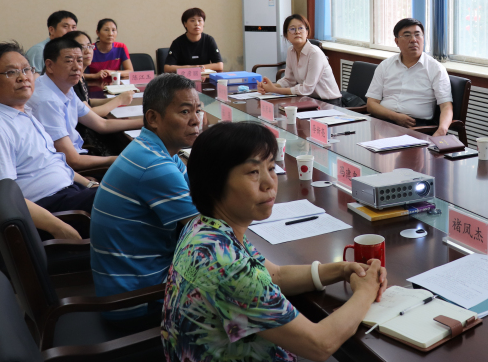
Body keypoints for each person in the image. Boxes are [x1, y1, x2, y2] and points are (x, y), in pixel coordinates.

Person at [163, 121, 388, 362]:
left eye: (271, 167)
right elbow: (320, 344)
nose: (269, 182)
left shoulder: (205, 228)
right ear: (214, 184)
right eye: (253, 172)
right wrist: (366, 291)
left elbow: (275, 275)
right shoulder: (228, 264)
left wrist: (341, 270)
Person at [90, 73, 203, 327]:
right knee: (241, 293)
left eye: (198, 110)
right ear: (153, 118)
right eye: (185, 112)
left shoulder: (156, 150)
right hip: (137, 302)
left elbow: (196, 194)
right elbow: (207, 229)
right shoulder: (154, 165)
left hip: (136, 281)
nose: (196, 120)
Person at [0, 42, 98, 239]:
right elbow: (5, 200)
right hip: (50, 212)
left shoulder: (20, 111)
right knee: (130, 198)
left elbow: (52, 163)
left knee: (124, 190)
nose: (23, 77)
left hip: (68, 195)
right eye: (11, 72)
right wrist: (60, 229)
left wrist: (89, 185)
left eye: (26, 70)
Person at [26, 37, 141, 171]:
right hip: (63, 169)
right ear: (50, 65)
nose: (77, 67)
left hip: (76, 156)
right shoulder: (47, 101)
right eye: (69, 61)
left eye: (79, 60)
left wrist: (144, 122)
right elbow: (73, 161)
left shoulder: (63, 86)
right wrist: (119, 160)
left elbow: (102, 124)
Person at [365, 18, 453, 136]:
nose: (413, 40)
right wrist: (395, 117)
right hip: (383, 121)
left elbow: (446, 106)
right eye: (407, 35)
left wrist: (442, 130)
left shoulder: (436, 69)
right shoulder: (385, 65)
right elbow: (371, 104)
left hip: (416, 127)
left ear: (423, 39)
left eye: (417, 35)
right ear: (397, 41)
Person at [67, 30, 135, 156]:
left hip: (89, 128)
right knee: (126, 144)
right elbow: (91, 113)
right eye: (82, 47)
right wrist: (119, 100)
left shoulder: (80, 76)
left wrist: (115, 98)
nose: (87, 51)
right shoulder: (72, 79)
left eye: (89, 46)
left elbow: (87, 102)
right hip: (83, 137)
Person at [257, 14, 341, 105]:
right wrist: (268, 87)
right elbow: (289, 80)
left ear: (307, 32)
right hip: (308, 99)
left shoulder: (315, 53)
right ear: (286, 35)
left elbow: (307, 89)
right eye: (292, 29)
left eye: (301, 28)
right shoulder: (291, 51)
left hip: (328, 103)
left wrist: (275, 90)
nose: (297, 32)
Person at [164, 7, 224, 73]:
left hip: (204, 77)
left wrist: (199, 68)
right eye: (192, 21)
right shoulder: (177, 42)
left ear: (203, 23)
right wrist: (191, 68)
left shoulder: (209, 40)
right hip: (183, 78)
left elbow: (219, 65)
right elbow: (167, 68)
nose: (197, 24)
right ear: (185, 24)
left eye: (200, 20)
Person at [85, 18, 133, 85]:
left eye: (113, 30)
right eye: (106, 30)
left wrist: (112, 73)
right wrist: (95, 75)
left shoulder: (121, 47)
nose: (110, 34)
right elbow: (79, 74)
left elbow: (130, 72)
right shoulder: (90, 49)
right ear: (98, 33)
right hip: (93, 86)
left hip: (114, 85)